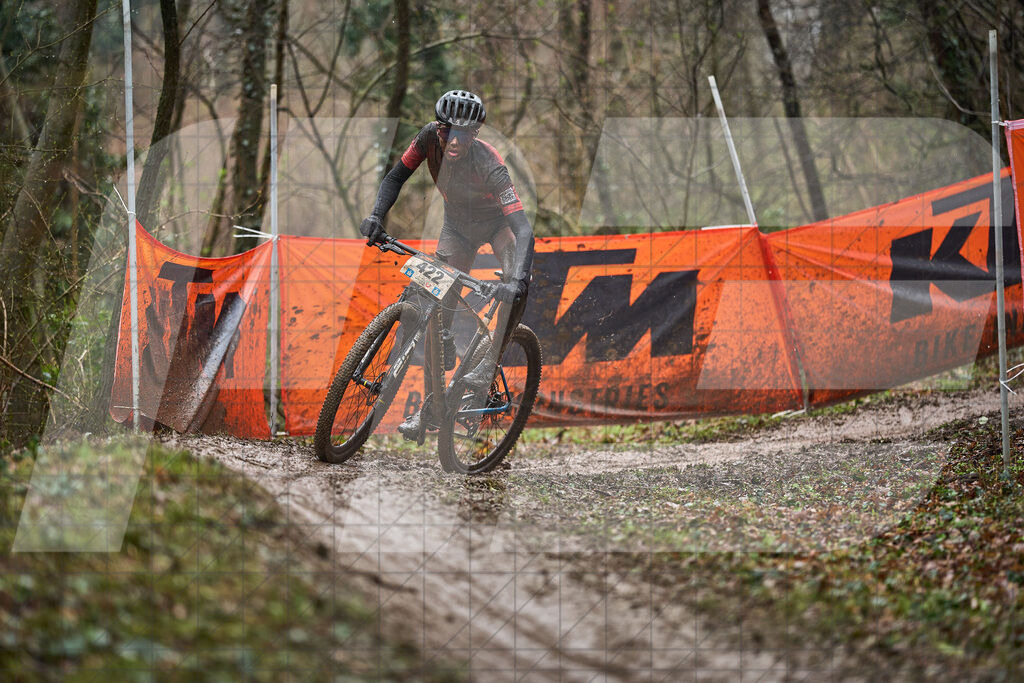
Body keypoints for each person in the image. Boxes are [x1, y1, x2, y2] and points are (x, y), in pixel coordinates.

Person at [359, 89, 535, 440]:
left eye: (463, 134)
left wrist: (517, 280)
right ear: (438, 129)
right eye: (446, 131)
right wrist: (377, 216)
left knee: (520, 275)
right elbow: (395, 177)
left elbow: (522, 227)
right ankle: (432, 412)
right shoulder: (427, 138)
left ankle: (487, 367)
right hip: (457, 227)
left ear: (474, 135)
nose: (452, 141)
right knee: (436, 312)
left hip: (497, 226)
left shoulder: (490, 164)